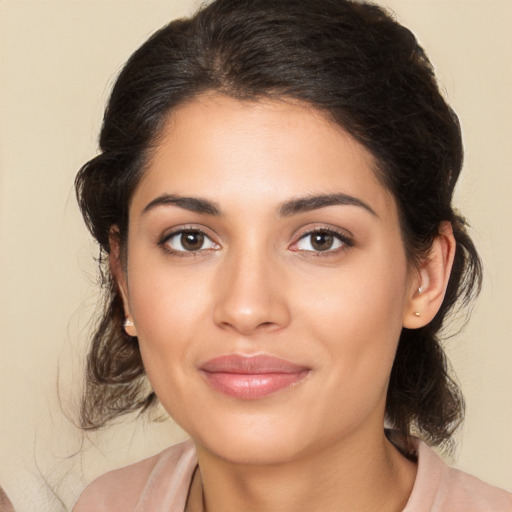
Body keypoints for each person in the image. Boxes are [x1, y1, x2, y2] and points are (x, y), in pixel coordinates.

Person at [72, 0, 512, 510]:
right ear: (123, 276)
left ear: (425, 276)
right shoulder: (106, 503)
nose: (247, 307)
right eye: (190, 239)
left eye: (321, 239)